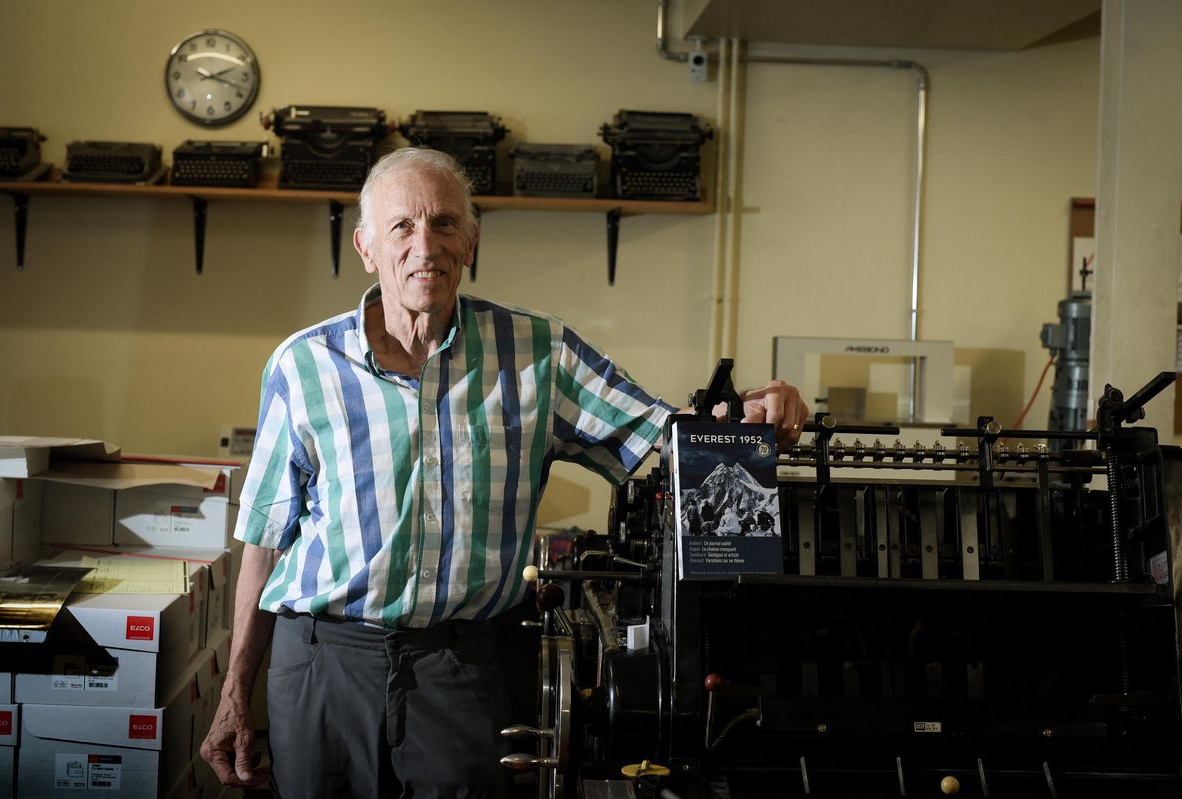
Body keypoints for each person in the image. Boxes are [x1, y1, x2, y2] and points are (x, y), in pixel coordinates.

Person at [199, 147, 808, 798]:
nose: (424, 244)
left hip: (464, 667)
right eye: (402, 226)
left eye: (444, 223)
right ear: (366, 247)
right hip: (324, 662)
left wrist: (745, 413)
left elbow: (662, 428)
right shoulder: (303, 365)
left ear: (472, 240)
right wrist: (235, 692)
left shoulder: (539, 353)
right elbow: (263, 540)